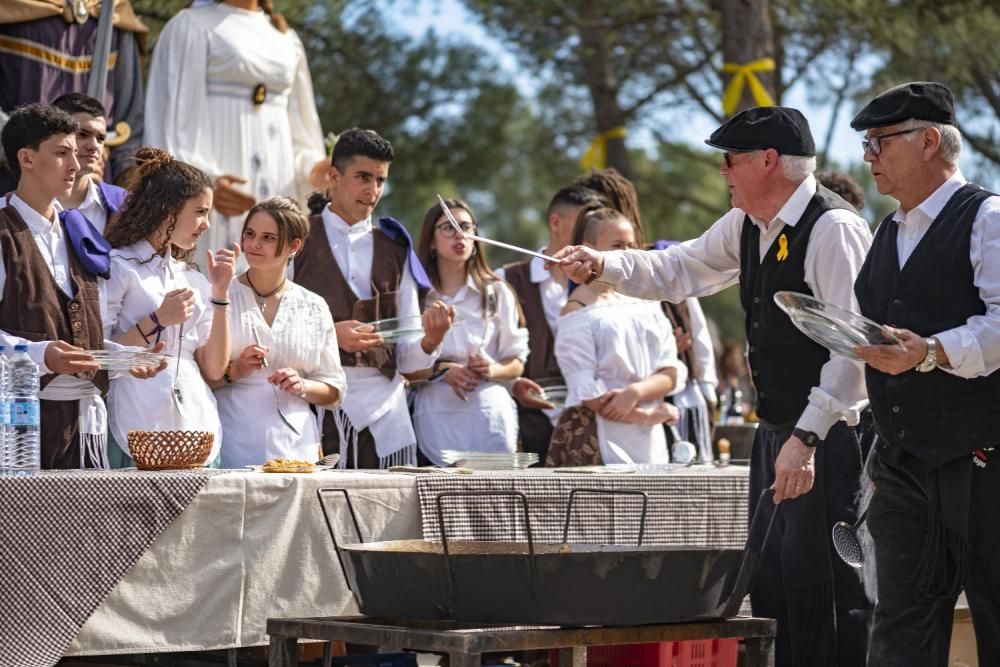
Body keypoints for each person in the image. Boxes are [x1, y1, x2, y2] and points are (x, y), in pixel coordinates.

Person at [554, 107, 875, 667]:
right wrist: (602, 263)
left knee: (829, 590)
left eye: (730, 160)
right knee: (774, 582)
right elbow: (679, 269)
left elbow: (854, 355)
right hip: (780, 432)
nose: (723, 172)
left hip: (830, 438)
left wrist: (808, 437)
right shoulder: (748, 223)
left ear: (769, 161)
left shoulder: (833, 229)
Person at [850, 81, 1000, 667]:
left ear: (929, 141)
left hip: (985, 464)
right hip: (904, 468)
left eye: (879, 142)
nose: (869, 158)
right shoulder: (887, 230)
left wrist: (931, 352)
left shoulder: (987, 216)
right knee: (899, 633)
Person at [293, 128, 451, 468]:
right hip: (313, 409)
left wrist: (431, 341)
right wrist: (330, 335)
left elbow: (408, 360)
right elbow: (266, 326)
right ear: (333, 177)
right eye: (363, 177)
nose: (373, 190)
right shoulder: (296, 239)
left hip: (385, 419)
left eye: (380, 180)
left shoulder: (397, 249)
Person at [0, 103, 136, 468]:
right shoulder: (2, 234)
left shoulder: (78, 231)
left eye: (75, 153)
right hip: (18, 434)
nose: (76, 165)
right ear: (26, 159)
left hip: (86, 428)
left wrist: (121, 359)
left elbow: (80, 331)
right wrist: (40, 355)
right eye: (62, 153)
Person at [145, 0, 328, 256]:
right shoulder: (190, 26)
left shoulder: (287, 40)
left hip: (276, 189)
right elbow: (170, 125)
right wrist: (203, 186)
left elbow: (301, 130)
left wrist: (316, 170)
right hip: (215, 204)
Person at [102, 147, 237, 467]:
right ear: (168, 209)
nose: (206, 224)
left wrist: (220, 294)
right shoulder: (118, 266)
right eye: (201, 211)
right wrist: (157, 320)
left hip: (196, 426)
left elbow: (215, 369)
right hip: (136, 421)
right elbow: (97, 354)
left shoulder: (193, 277)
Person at [214, 196, 346, 468]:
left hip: (297, 448)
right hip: (232, 441)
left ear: (294, 246)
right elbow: (195, 375)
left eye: (268, 237)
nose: (254, 244)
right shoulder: (220, 293)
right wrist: (235, 369)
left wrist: (302, 385)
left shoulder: (314, 305)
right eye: (249, 234)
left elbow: (334, 389)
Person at [547, 207, 684, 467]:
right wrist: (644, 415)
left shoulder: (646, 299)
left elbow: (671, 370)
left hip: (650, 435)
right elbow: (586, 389)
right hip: (599, 436)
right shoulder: (577, 310)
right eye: (617, 245)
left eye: (632, 245)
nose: (627, 252)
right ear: (588, 248)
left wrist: (635, 392)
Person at [410, 198, 528, 465]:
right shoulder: (417, 296)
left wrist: (491, 369)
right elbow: (404, 367)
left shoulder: (497, 292)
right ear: (430, 241)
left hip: (491, 420)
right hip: (436, 421)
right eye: (448, 228)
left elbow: (516, 362)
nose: (460, 234)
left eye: (466, 226)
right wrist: (443, 371)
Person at [498, 183, 600, 462]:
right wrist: (513, 384)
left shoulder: (604, 283)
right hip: (529, 424)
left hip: (595, 422)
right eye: (584, 225)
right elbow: (491, 351)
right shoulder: (506, 280)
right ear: (556, 223)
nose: (591, 235)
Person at [0, 0, 147, 190]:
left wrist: (126, 191)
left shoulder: (115, 12)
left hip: (93, 188)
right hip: (15, 181)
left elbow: (129, 125)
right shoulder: (9, 8)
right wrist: (44, 154)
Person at [51, 92, 128, 235]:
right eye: (82, 134)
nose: (94, 146)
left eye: (100, 138)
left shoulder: (123, 204)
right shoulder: (14, 209)